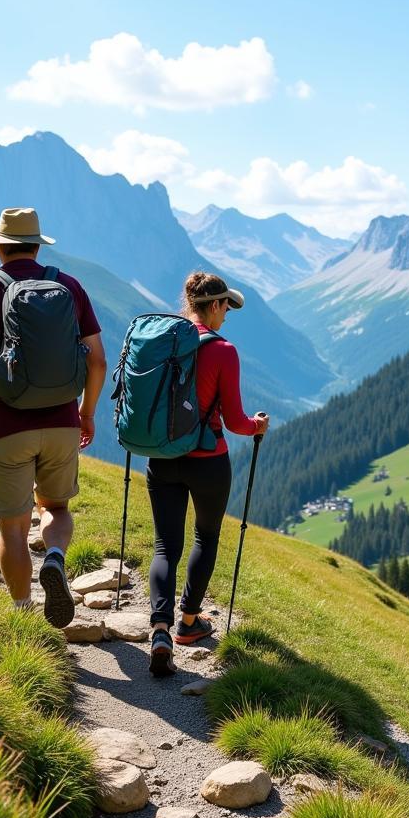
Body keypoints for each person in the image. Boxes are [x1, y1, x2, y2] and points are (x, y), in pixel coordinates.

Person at [0, 208, 107, 627]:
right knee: (56, 507)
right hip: (62, 423)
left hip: (5, 427)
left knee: (11, 529)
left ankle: (24, 616)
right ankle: (54, 556)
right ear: (37, 243)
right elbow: (98, 362)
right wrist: (86, 413)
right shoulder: (68, 286)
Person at [147, 271, 269, 677]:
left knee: (165, 544)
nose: (227, 316)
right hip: (207, 459)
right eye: (226, 307)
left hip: (162, 456)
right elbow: (234, 421)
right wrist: (257, 426)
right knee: (206, 535)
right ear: (214, 306)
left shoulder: (164, 339)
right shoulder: (224, 351)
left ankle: (160, 629)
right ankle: (188, 623)